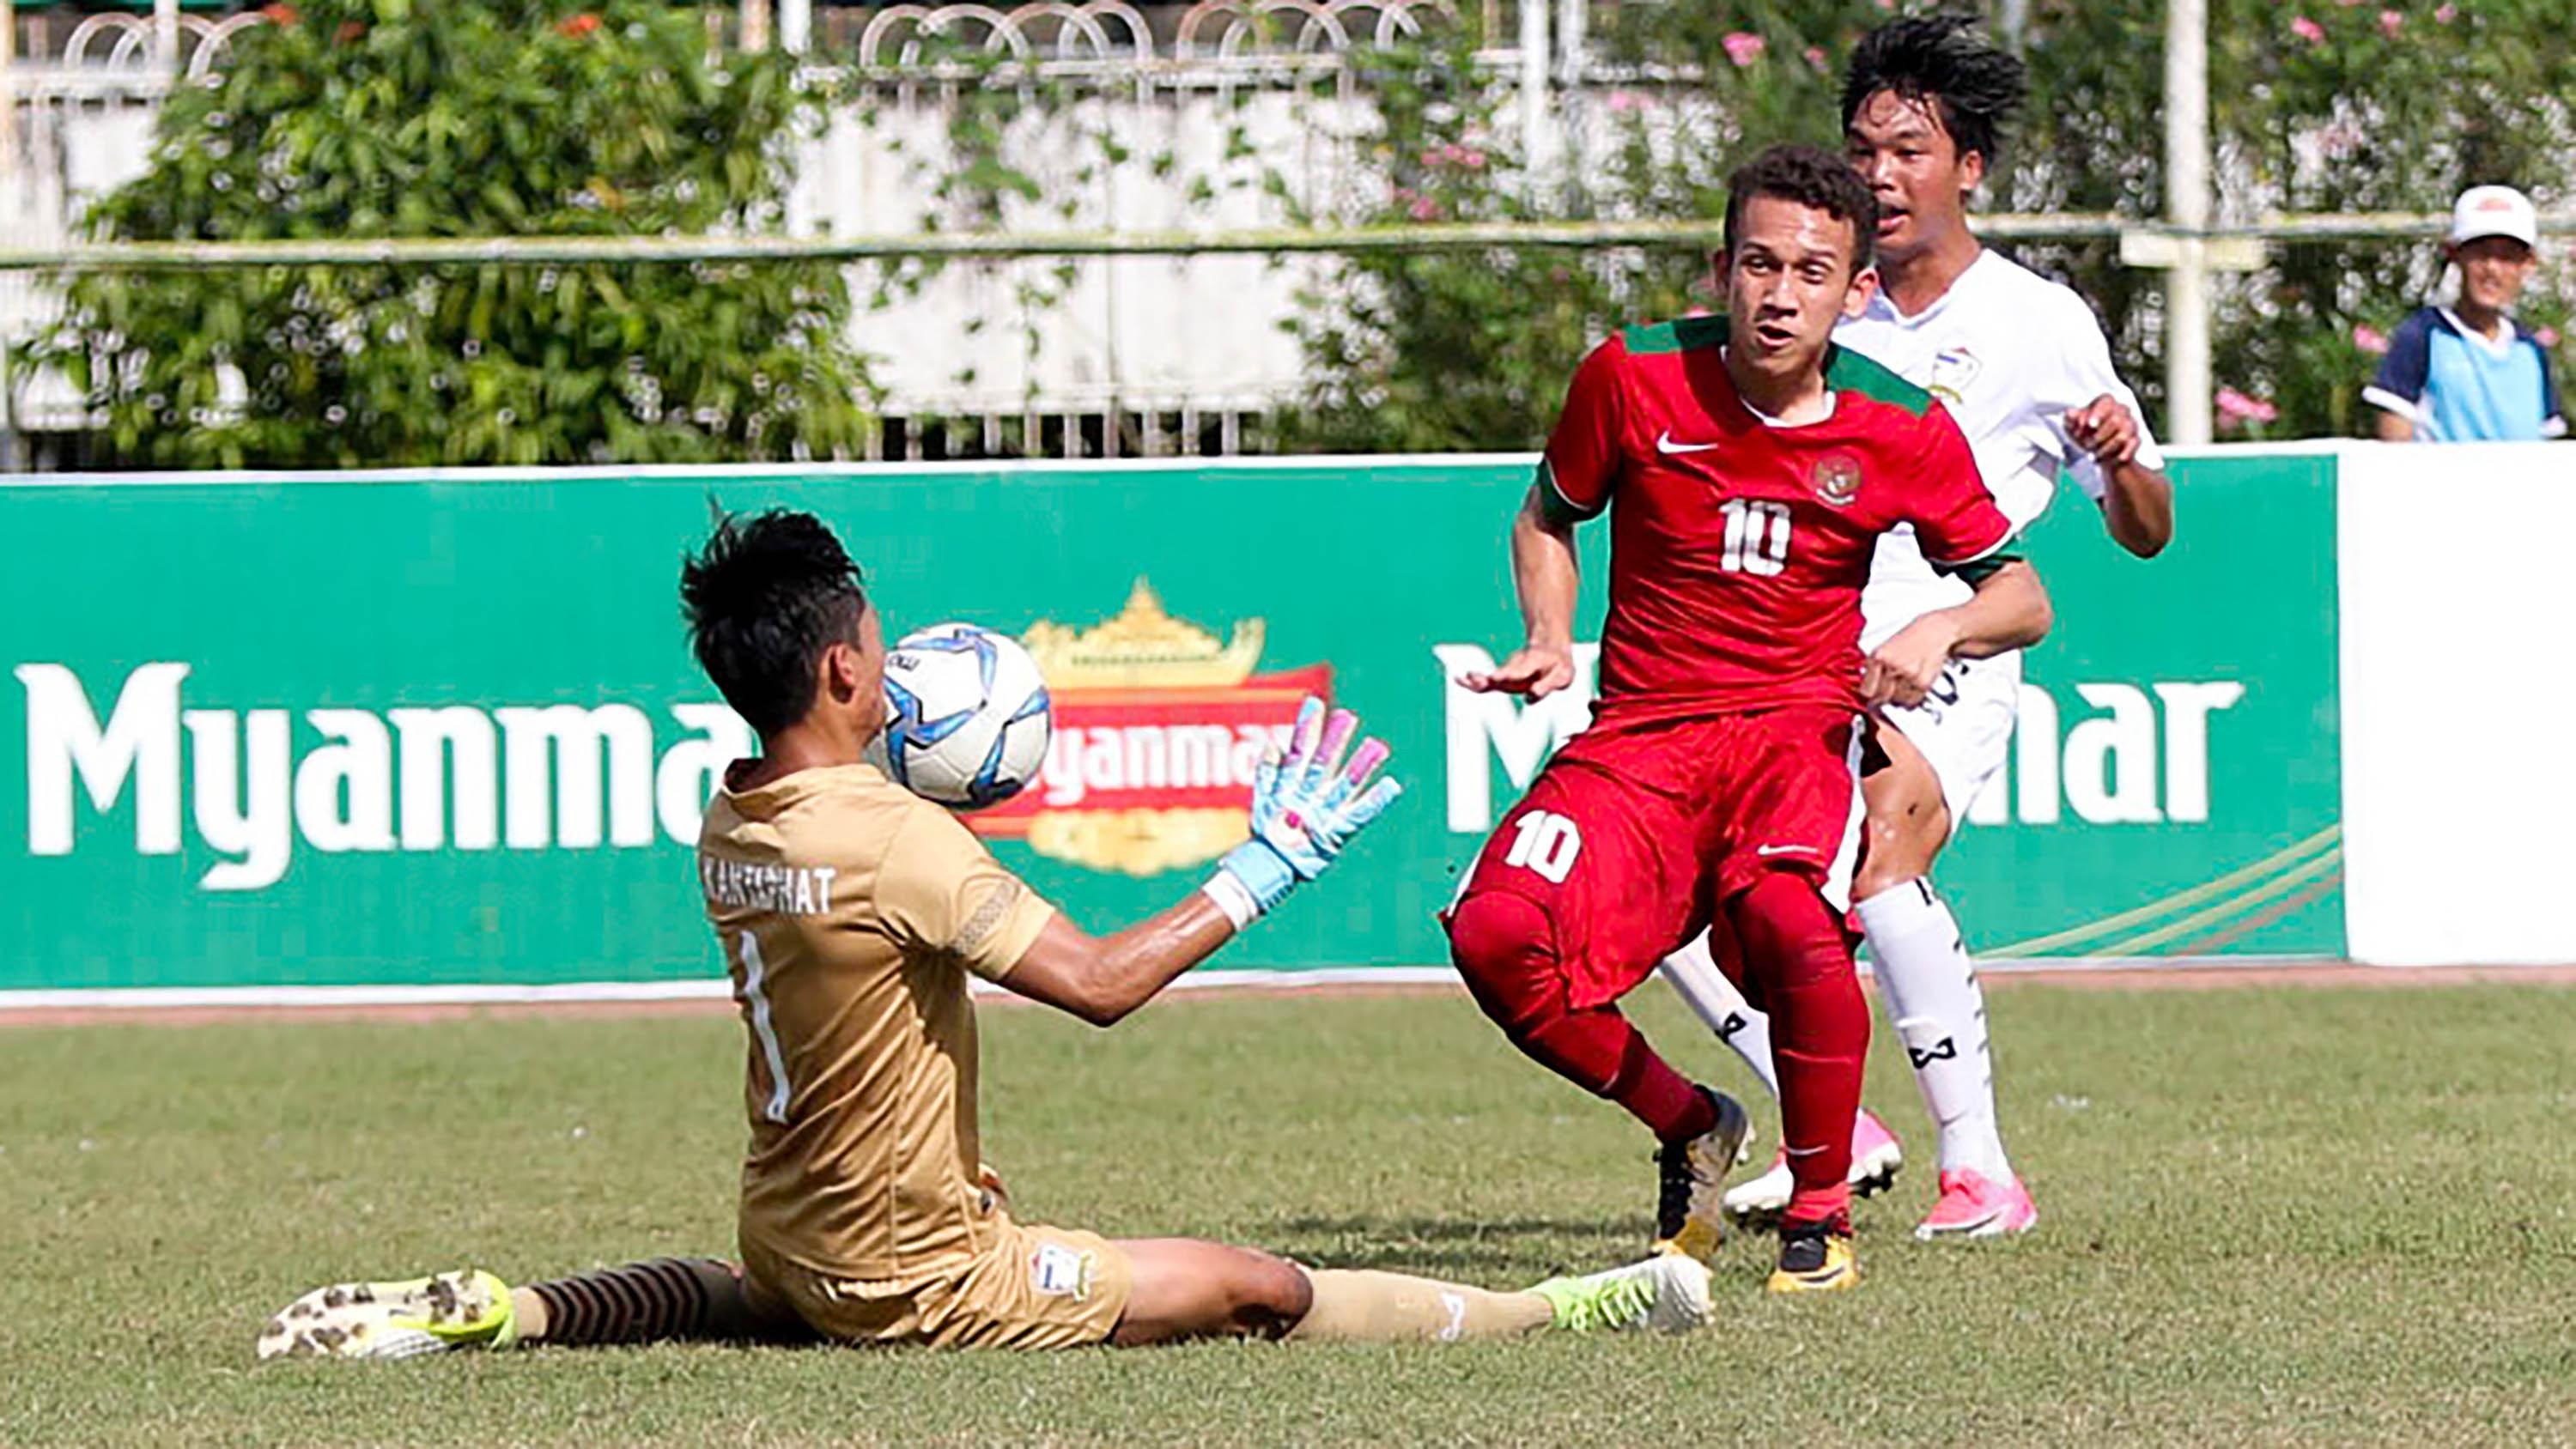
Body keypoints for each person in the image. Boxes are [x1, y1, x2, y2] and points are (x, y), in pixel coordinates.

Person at [257, 509, 1713, 1361]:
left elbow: (868, 910)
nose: (894, 673)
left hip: (795, 1235)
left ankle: (512, 1311)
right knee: (1254, 1283)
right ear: (839, 665)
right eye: (881, 653)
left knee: (744, 1300)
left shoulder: (738, 813)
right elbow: (1094, 984)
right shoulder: (894, 838)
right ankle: (1560, 1309)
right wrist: (1262, 869)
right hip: (919, 1274)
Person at [1446, 142, 2053, 1295]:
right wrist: (1544, 636)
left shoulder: (1901, 426)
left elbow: (2021, 596)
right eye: (1762, 265)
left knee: (1786, 910)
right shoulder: (1629, 378)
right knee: (1494, 937)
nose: (1783, 295)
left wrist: (1938, 631)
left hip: (1792, 735)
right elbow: (1546, 515)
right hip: (1641, 738)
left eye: (1815, 272)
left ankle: (1821, 1209)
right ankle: (1689, 1120)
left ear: (1856, 293)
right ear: (1722, 268)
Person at [1653, 15, 2175, 1243]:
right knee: (1659, 869)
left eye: (1908, 150)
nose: (1879, 174)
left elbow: (2146, 528)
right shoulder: (1823, 300)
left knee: (1882, 859)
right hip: (1788, 648)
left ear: (1969, 168)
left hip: (1953, 645)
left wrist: (2118, 454)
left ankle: (1982, 1171)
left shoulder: (2038, 320)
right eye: (1862, 148)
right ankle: (1834, 1122)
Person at [2366, 184, 2566, 443]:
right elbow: (2394, 440)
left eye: (2507, 257)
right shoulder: (2422, 337)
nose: (2492, 269)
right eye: (2481, 254)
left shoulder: (2530, 350)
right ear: (2455, 256)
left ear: (2527, 264)